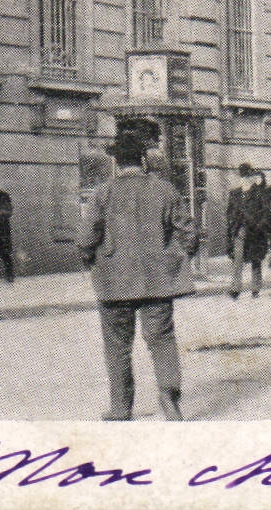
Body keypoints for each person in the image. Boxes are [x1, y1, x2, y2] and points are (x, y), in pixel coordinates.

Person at [80, 118, 195, 421]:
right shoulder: (165, 190)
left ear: (116, 163)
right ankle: (170, 399)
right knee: (162, 339)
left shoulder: (102, 194)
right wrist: (178, 257)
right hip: (157, 280)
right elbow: (188, 233)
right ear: (143, 160)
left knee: (117, 345)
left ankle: (121, 407)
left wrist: (90, 258)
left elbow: (86, 237)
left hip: (114, 281)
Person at [229, 166, 271, 299]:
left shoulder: (259, 194)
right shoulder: (234, 193)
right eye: (242, 177)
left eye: (247, 177)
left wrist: (259, 226)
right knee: (237, 260)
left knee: (255, 259)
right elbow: (229, 212)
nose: (244, 180)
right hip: (239, 230)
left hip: (255, 231)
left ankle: (256, 287)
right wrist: (232, 223)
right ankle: (235, 288)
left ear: (251, 178)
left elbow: (266, 213)